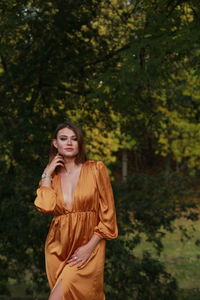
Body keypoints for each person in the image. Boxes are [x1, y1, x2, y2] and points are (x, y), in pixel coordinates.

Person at [34, 121, 118, 300]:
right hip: (59, 246)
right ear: (55, 143)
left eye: (74, 139)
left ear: (80, 143)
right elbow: (46, 206)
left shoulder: (96, 169)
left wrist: (89, 247)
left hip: (89, 244)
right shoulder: (52, 178)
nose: (69, 143)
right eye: (63, 139)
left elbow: (108, 215)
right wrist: (47, 173)